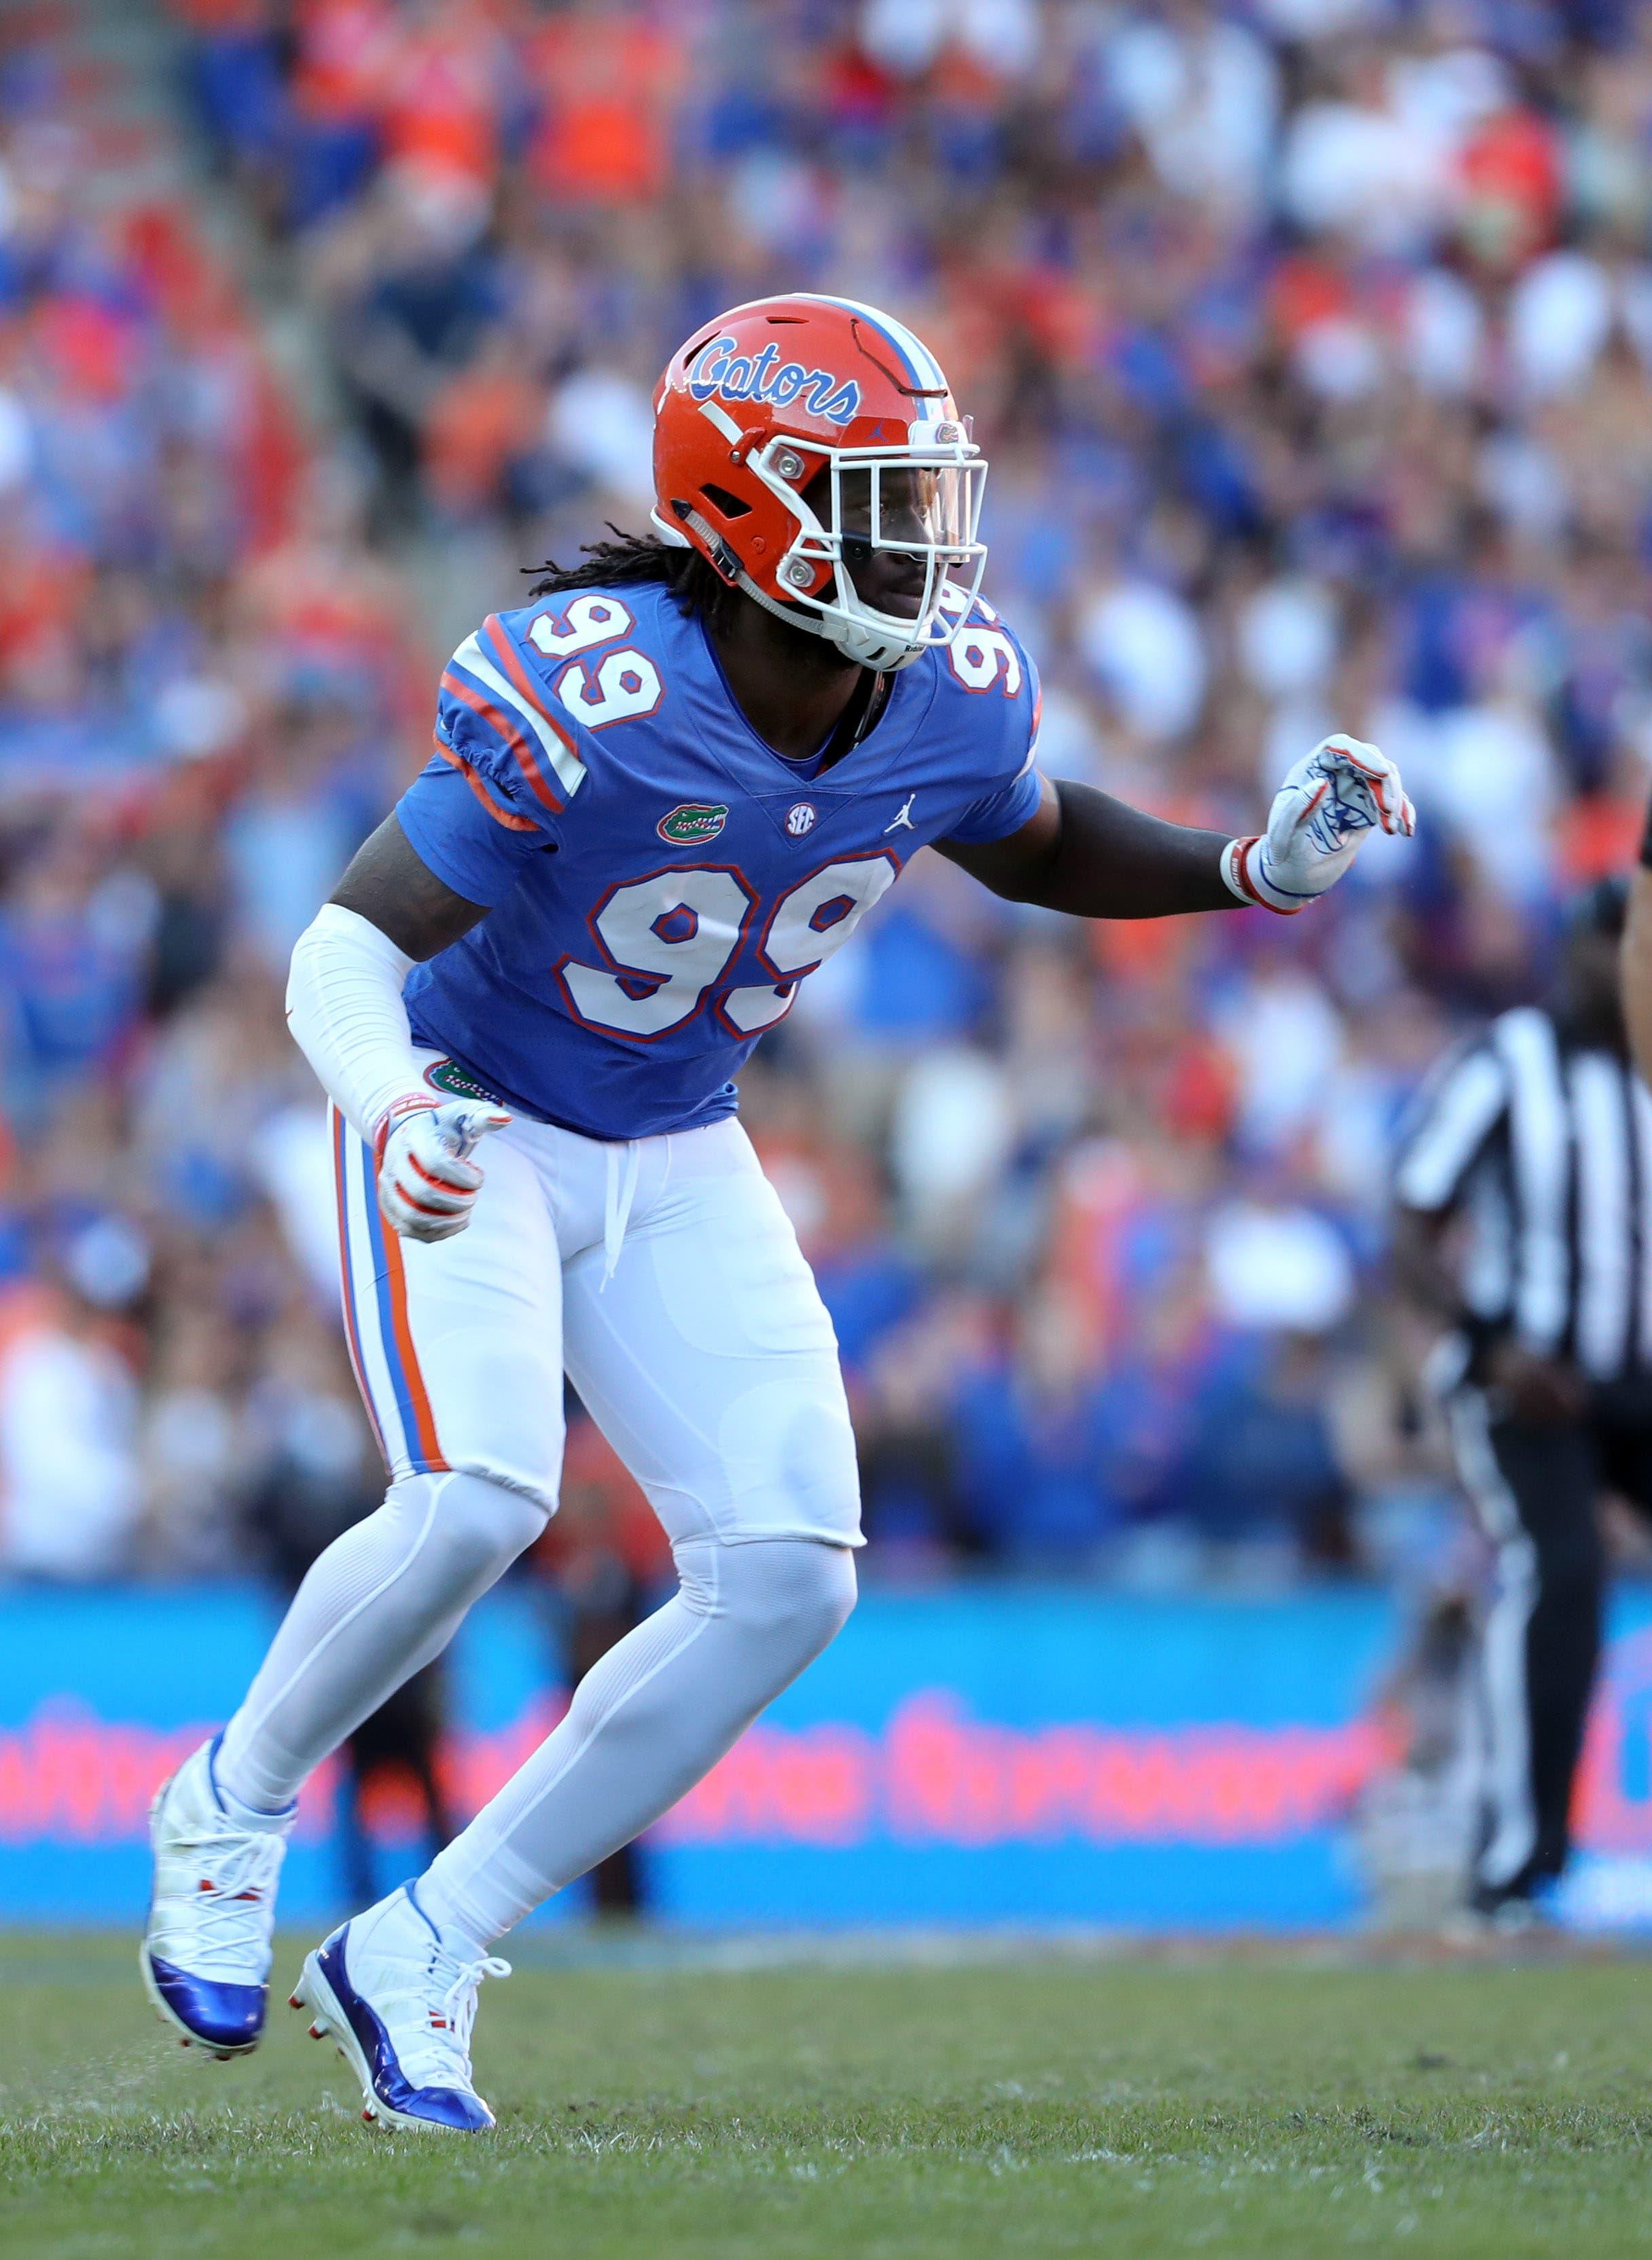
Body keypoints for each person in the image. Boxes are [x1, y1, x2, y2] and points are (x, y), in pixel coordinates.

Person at [141, 293, 1413, 2131]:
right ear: (749, 511)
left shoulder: (945, 695)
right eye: (878, 499)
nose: (927, 542)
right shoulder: (599, 695)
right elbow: (345, 942)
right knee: (481, 1495)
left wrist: (1243, 869)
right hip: (472, 1119)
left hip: (676, 1141)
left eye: (926, 496)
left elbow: (1033, 835)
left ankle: (431, 1935)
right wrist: (395, 1099)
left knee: (793, 1577)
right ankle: (232, 1804)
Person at [1393, 878, 1652, 1929]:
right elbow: (1410, 1221)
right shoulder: (1509, 1062)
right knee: (1562, 1571)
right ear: (1582, 953)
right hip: (1528, 1382)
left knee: (1566, 1577)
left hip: (1638, 1376)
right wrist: (1487, 1347)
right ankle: (1519, 1863)